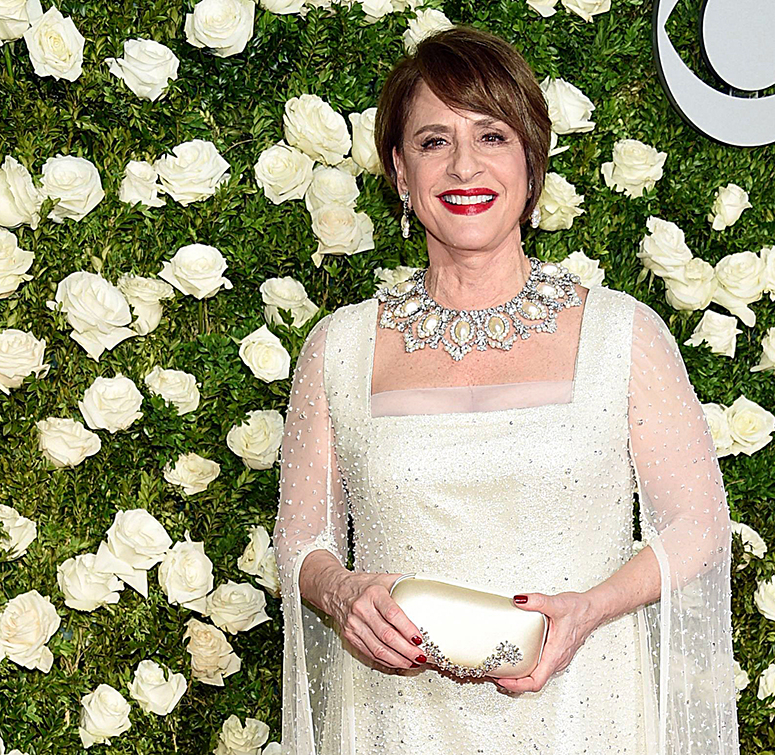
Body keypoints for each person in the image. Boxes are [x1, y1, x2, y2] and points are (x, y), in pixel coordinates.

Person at [272, 24, 739, 755]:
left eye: (491, 136)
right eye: (433, 142)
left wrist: (590, 608)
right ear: (398, 171)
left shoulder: (623, 334)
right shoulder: (339, 347)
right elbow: (302, 541)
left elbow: (700, 524)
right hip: (395, 724)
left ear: (531, 162)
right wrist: (341, 593)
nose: (463, 167)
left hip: (585, 713)